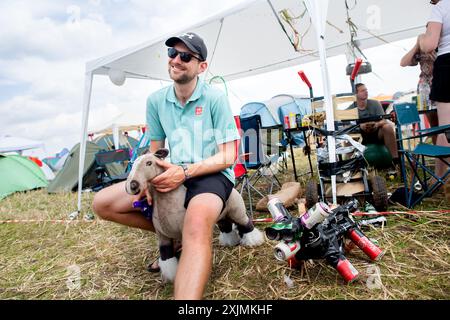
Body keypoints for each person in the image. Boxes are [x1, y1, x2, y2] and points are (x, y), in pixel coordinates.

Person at [92, 32, 241, 300]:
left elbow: (228, 156)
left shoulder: (215, 98)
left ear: (201, 67)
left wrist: (184, 172)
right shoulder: (156, 101)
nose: (176, 60)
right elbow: (155, 150)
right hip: (171, 171)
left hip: (211, 174)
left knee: (196, 224)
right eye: (173, 53)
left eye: (186, 56)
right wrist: (149, 181)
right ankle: (175, 237)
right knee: (103, 203)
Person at [418, 0, 450, 181]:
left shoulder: (440, 9)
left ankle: (440, 177)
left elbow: (430, 45)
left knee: (446, 127)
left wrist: (421, 40)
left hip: (447, 64)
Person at [351, 83, 399, 172]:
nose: (366, 92)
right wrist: (360, 126)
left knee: (388, 127)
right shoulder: (351, 108)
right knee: (348, 136)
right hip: (361, 137)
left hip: (377, 133)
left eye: (366, 90)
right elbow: (349, 126)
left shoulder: (375, 103)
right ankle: (353, 167)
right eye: (362, 90)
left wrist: (376, 124)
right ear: (356, 94)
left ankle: (394, 162)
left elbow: (384, 120)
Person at [400, 36, 438, 144]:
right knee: (434, 126)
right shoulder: (421, 48)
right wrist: (417, 45)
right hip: (426, 89)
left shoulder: (443, 43)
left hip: (442, 84)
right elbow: (403, 62)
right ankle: (439, 156)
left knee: (445, 123)